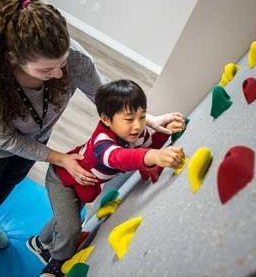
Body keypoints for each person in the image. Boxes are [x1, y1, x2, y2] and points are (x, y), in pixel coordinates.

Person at [0, 0, 185, 248]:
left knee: (9, 181)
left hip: (36, 139)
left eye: (62, 62)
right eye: (46, 70)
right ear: (13, 59)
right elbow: (5, 139)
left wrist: (146, 119)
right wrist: (61, 158)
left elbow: (104, 96)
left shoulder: (74, 60)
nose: (59, 74)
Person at [27, 79, 184, 277]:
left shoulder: (138, 134)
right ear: (106, 119)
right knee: (72, 226)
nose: (137, 126)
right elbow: (118, 158)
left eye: (142, 117)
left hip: (84, 184)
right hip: (62, 180)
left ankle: (39, 242)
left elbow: (149, 146)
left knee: (67, 216)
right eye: (129, 119)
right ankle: (56, 262)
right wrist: (152, 156)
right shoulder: (103, 141)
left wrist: (167, 131)